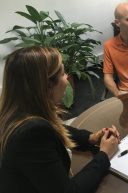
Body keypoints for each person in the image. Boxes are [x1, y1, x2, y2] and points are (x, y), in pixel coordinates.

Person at [0, 46, 120, 193]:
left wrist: (90, 138)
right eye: (63, 73)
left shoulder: (18, 113)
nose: (67, 78)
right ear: (47, 85)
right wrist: (104, 154)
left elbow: (54, 128)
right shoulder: (30, 133)